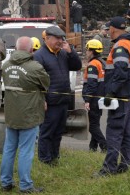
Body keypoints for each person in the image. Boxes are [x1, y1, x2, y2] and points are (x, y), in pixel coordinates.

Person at [0, 36, 49, 194]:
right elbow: (46, 84)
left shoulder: (6, 65)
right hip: (29, 114)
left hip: (11, 114)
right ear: (30, 50)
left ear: (16, 48)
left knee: (9, 149)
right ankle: (26, 185)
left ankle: (6, 182)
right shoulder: (35, 67)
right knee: (26, 151)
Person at [95, 16, 130, 177]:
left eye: (109, 29)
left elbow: (121, 72)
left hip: (120, 96)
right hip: (129, 95)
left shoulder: (120, 46)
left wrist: (111, 92)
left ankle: (109, 168)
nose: (108, 32)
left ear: (113, 29)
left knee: (114, 131)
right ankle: (125, 165)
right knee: (127, 132)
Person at [34, 25, 82, 166]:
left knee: (58, 131)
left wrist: (71, 52)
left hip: (63, 99)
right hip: (50, 101)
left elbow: (77, 66)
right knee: (47, 132)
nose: (60, 41)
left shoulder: (62, 53)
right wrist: (42, 99)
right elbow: (36, 80)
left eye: (62, 38)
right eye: (57, 39)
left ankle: (55, 157)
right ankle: (45, 159)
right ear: (47, 39)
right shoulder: (39, 55)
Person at [83, 39, 107, 153]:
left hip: (94, 99)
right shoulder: (102, 62)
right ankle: (92, 148)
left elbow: (91, 84)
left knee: (92, 126)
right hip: (100, 97)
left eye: (87, 50)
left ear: (92, 51)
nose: (86, 52)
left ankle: (105, 145)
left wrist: (87, 99)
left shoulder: (93, 64)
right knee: (95, 123)